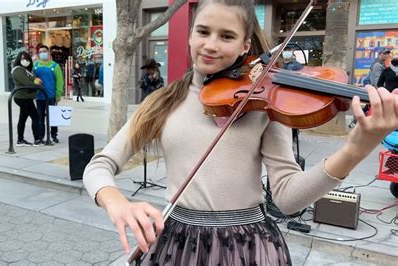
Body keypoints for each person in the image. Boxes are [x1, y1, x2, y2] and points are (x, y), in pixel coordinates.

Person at [82, 0, 398, 265]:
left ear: (245, 46)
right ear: (191, 35)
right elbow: (99, 165)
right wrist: (116, 202)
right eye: (203, 32)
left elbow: (287, 199)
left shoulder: (263, 104)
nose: (211, 45)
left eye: (227, 36)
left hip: (246, 246)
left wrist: (354, 151)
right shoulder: (160, 103)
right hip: (175, 244)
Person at [11, 51, 44, 147]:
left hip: (25, 97)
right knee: (35, 117)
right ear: (18, 59)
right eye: (22, 58)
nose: (25, 60)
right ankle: (37, 140)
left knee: (23, 118)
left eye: (27, 58)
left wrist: (36, 81)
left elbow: (31, 80)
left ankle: (20, 140)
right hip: (23, 98)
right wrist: (37, 84)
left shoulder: (24, 70)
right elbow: (27, 83)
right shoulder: (18, 70)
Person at [34, 45, 63, 144]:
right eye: (40, 51)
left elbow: (59, 81)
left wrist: (58, 94)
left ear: (48, 52)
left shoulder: (55, 66)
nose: (42, 53)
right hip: (39, 96)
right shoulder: (36, 65)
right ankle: (41, 136)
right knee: (40, 118)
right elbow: (31, 78)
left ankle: (54, 135)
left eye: (44, 51)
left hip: (51, 96)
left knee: (53, 117)